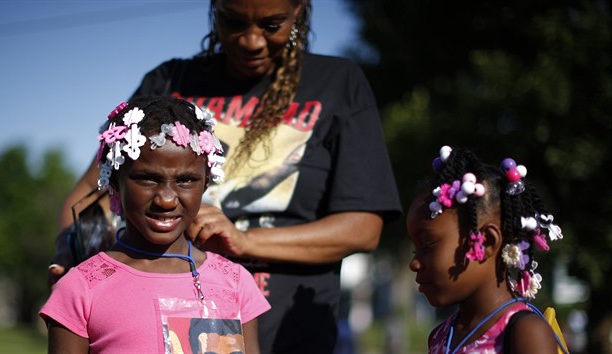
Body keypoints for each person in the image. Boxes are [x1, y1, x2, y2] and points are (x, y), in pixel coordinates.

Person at [52, 0, 403, 352]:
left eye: (271, 25)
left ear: (299, 10)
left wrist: (244, 241)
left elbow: (363, 227)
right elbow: (94, 187)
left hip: (292, 332)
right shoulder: (170, 81)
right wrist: (79, 258)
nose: (251, 41)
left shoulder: (338, 84)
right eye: (234, 22)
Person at [40, 96, 270, 354]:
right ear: (115, 182)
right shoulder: (80, 289)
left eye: (186, 180)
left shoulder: (236, 283)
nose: (166, 199)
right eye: (148, 179)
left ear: (206, 183)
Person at [406, 145, 569, 354]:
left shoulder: (524, 332)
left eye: (427, 245)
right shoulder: (440, 336)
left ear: (486, 242)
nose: (415, 263)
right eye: (415, 250)